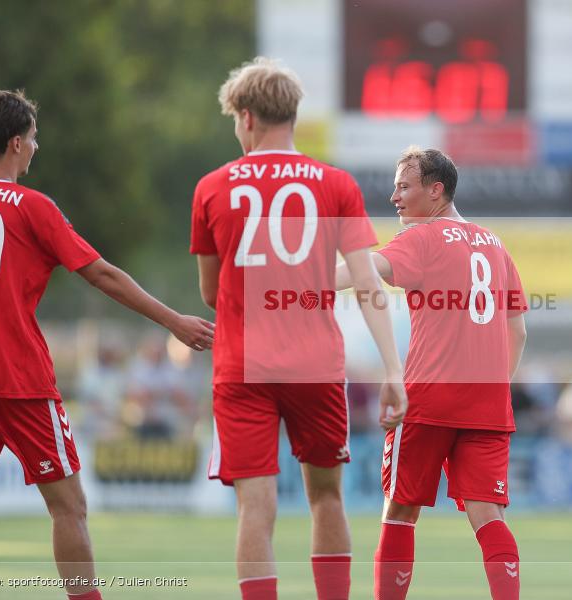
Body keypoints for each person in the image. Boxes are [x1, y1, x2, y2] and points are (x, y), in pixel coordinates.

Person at [0, 89, 215, 600]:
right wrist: (172, 321)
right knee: (69, 506)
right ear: (15, 142)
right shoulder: (34, 208)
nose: (36, 147)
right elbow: (101, 274)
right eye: (33, 139)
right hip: (20, 381)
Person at [190, 57, 406, 600]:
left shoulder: (213, 187)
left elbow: (210, 294)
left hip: (242, 365)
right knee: (327, 497)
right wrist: (393, 369)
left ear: (245, 117)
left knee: (256, 506)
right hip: (315, 363)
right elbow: (367, 284)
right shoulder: (336, 184)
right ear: (292, 115)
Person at [335, 147, 529, 600]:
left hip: (427, 398)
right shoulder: (495, 245)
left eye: (404, 186)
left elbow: (365, 272)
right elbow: (517, 329)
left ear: (435, 190)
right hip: (487, 403)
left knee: (400, 511)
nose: (394, 197)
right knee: (489, 517)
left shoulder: (422, 239)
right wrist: (496, 385)